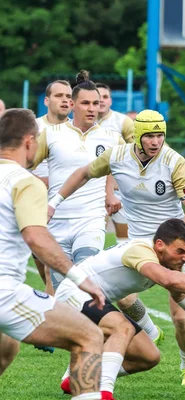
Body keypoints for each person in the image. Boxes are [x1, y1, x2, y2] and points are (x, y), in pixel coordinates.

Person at [52, 109, 185, 386]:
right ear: (137, 136)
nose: (156, 141)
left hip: (171, 246)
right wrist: (55, 202)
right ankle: (148, 330)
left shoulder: (174, 162)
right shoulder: (118, 155)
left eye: (160, 135)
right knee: (122, 298)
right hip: (137, 243)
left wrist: (178, 237)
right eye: (150, 135)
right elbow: (84, 173)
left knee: (181, 315)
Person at [55, 219, 185, 399]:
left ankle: (79, 379)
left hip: (95, 300)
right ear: (160, 245)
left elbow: (179, 294)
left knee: (149, 356)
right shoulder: (141, 250)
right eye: (180, 251)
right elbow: (168, 280)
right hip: (73, 293)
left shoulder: (168, 262)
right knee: (123, 328)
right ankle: (103, 393)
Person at [0, 108, 105, 399]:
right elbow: (36, 236)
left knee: (6, 346)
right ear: (29, 141)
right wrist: (78, 276)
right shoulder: (25, 181)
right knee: (90, 336)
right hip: (4, 292)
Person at [30, 70, 124, 293]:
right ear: (72, 104)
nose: (92, 108)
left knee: (84, 276)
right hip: (56, 221)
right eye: (85, 103)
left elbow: (130, 164)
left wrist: (110, 192)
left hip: (90, 220)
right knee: (62, 289)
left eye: (95, 103)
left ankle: (138, 328)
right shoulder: (52, 134)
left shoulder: (112, 138)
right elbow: (25, 165)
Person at [29, 80, 73, 296]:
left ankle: (56, 321)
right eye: (59, 96)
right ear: (46, 100)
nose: (65, 100)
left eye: (68, 96)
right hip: (35, 208)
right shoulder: (34, 129)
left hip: (65, 210)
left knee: (52, 270)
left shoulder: (78, 131)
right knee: (43, 267)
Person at [96, 83, 135, 245]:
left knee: (124, 237)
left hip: (118, 187)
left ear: (110, 101)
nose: (101, 101)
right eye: (97, 98)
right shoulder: (81, 123)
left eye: (105, 97)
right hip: (92, 187)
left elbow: (138, 149)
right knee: (95, 233)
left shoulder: (122, 122)